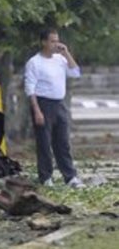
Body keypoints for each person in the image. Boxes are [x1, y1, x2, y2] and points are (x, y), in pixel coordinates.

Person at [24, 28, 84, 188]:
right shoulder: (34, 62)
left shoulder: (60, 59)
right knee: (44, 142)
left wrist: (67, 53)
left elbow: (76, 73)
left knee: (62, 142)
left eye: (57, 40)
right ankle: (46, 177)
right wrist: (36, 110)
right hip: (43, 104)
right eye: (52, 41)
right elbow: (30, 88)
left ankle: (70, 177)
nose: (55, 44)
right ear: (43, 42)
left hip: (59, 103)